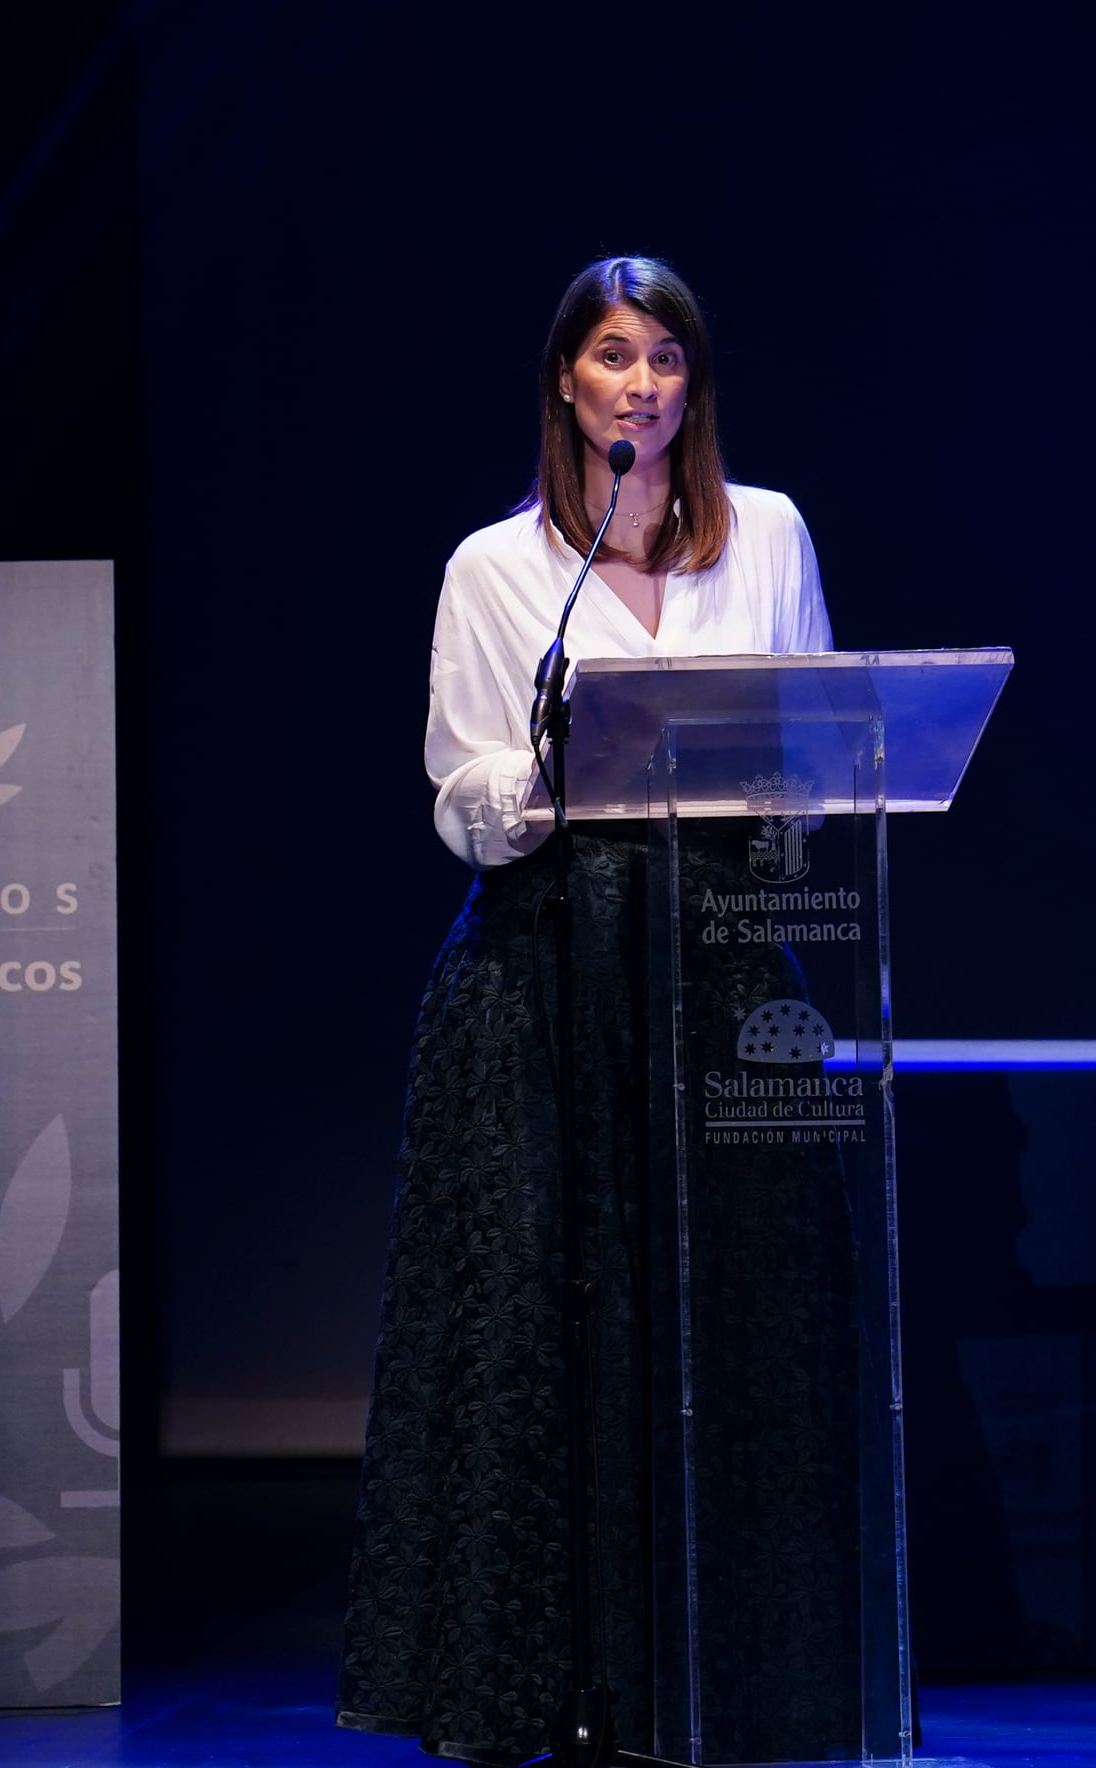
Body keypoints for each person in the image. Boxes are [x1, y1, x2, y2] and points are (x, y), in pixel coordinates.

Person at [336, 257, 838, 1764]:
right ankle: (545, 1684)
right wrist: (562, 773)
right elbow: (459, 789)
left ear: (694, 386)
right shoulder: (500, 570)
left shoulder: (770, 537)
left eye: (667, 359)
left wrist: (773, 773)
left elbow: (814, 740)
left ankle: (732, 1673)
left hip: (725, 954)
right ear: (569, 383)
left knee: (726, 1314)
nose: (643, 385)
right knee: (549, 1318)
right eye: (614, 358)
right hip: (549, 966)